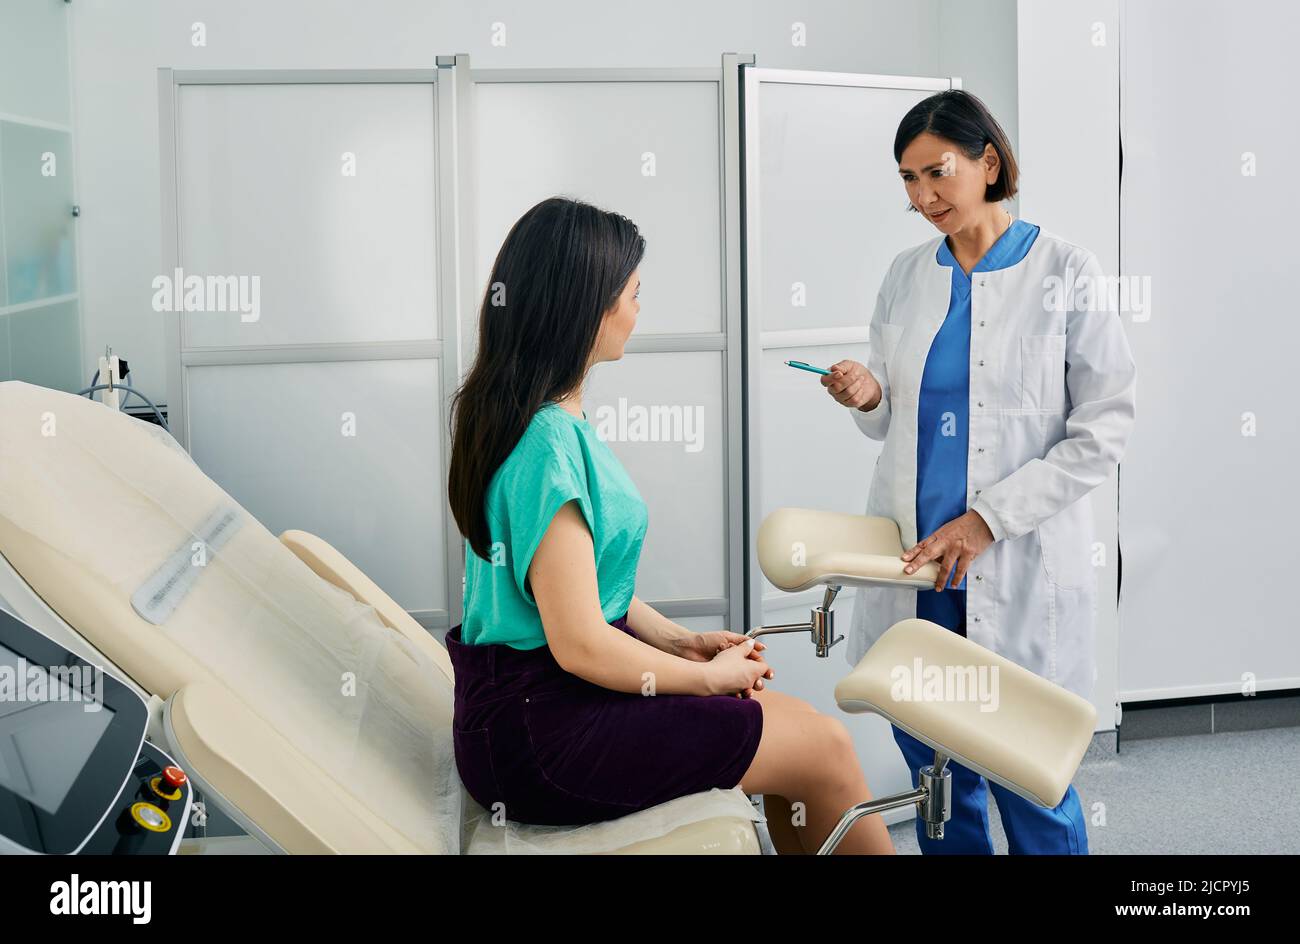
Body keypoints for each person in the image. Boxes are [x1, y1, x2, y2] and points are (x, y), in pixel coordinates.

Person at [444, 196, 894, 854]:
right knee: (824, 747)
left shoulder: (526, 418)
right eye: (631, 295)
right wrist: (708, 680)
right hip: (543, 733)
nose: (636, 311)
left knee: (800, 736)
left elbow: (570, 586)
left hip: (528, 712)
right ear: (584, 308)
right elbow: (580, 644)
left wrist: (678, 644)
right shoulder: (547, 445)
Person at [821, 90, 1137, 854]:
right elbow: (890, 421)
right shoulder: (905, 276)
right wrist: (867, 394)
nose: (923, 196)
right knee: (936, 781)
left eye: (939, 172)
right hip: (918, 569)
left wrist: (989, 517)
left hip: (1013, 562)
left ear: (988, 162)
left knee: (1029, 779)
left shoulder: (1066, 270)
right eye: (907, 179)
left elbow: (1105, 427)